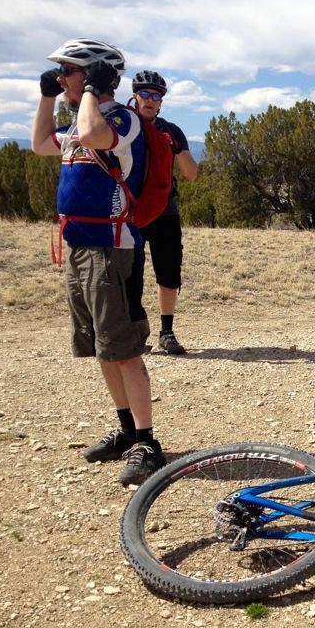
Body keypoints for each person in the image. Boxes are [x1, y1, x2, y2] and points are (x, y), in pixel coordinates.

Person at [30, 39, 166, 486]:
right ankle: (127, 429)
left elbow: (91, 136)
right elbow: (40, 146)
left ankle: (148, 442)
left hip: (112, 249)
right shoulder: (78, 119)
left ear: (93, 75)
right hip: (79, 246)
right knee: (101, 346)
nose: (62, 76)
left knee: (123, 347)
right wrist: (49, 95)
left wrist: (89, 90)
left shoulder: (120, 119)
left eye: (67, 70)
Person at [130, 70, 199, 355]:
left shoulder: (171, 130)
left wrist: (177, 147)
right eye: (144, 94)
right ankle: (133, 334)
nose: (149, 100)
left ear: (161, 102)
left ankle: (167, 333)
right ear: (135, 96)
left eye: (155, 95)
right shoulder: (122, 125)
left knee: (168, 273)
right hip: (129, 212)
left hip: (164, 211)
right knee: (129, 274)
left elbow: (191, 173)